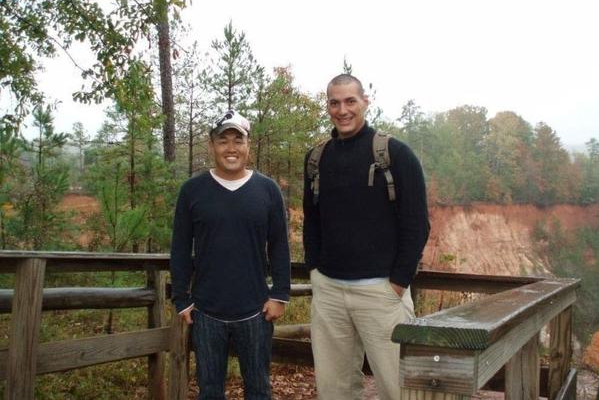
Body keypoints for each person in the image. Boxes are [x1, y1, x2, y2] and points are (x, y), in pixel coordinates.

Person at [303, 74, 430, 400]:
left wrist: (398, 283)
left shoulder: (396, 155)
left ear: (365, 102)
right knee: (334, 390)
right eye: (334, 102)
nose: (342, 110)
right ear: (328, 106)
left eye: (350, 101)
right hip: (329, 292)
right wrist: (315, 272)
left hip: (381, 294)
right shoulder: (317, 159)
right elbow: (312, 220)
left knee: (398, 389)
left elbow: (417, 225)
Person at [170, 110, 291, 400]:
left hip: (256, 310)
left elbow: (279, 246)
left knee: (259, 389)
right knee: (209, 391)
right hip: (206, 312)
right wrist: (181, 299)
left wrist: (280, 294)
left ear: (248, 145)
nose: (231, 148)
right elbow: (180, 248)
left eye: (238, 140)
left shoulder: (267, 190)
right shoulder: (192, 191)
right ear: (212, 145)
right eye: (223, 141)